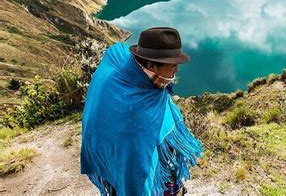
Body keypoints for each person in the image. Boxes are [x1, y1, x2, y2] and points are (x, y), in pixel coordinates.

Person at [80, 27, 203, 195]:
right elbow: (137, 169)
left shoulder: (130, 71)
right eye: (173, 65)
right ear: (151, 65)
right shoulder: (136, 110)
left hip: (114, 159)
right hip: (130, 168)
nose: (177, 70)